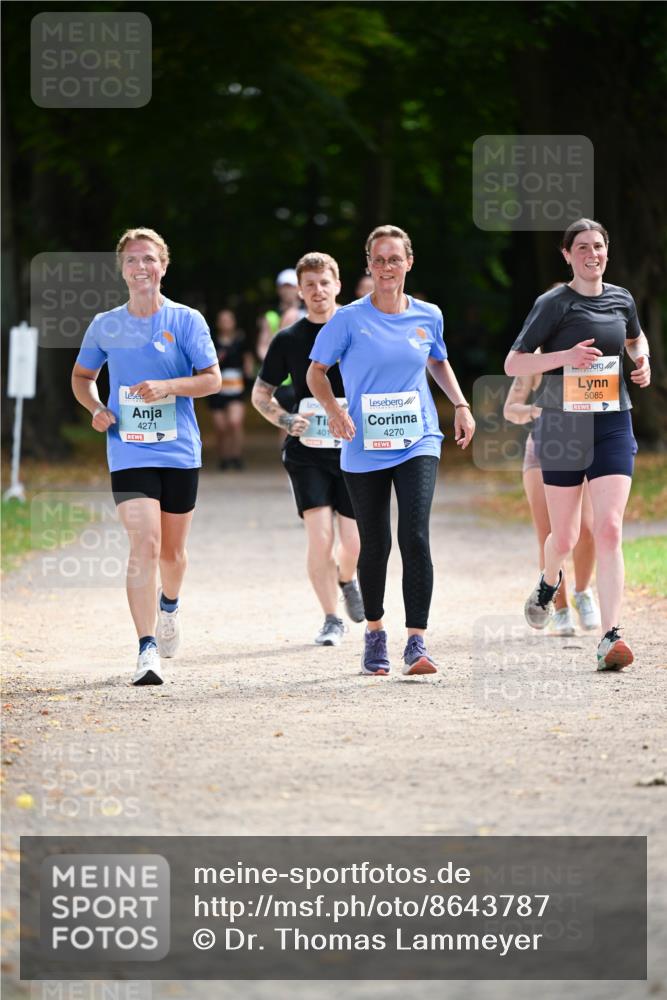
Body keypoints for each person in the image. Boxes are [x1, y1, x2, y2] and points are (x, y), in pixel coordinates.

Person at [307, 225, 475, 676]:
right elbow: (316, 372)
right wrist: (335, 412)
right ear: (368, 265)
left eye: (394, 259)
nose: (386, 267)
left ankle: (416, 642)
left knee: (414, 533)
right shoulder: (348, 319)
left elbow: (437, 360)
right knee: (375, 541)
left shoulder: (428, 315)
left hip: (418, 437)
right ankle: (375, 633)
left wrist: (459, 403)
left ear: (408, 263)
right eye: (378, 260)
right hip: (363, 444)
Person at [71, 227, 221, 686]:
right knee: (146, 544)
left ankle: (169, 606)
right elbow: (82, 377)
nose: (141, 268)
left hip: (178, 450)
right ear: (122, 269)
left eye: (149, 259)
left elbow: (212, 379)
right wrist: (96, 407)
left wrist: (169, 387)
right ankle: (146, 648)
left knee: (173, 554)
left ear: (164, 266)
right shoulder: (105, 324)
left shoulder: (187, 320)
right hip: (128, 448)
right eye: (133, 260)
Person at [505, 218, 651, 671]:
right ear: (567, 254)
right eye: (582, 247)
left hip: (611, 423)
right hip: (563, 429)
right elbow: (514, 362)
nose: (592, 254)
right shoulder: (553, 303)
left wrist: (642, 359)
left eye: (599, 246)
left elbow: (634, 337)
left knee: (608, 529)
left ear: (607, 251)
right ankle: (550, 582)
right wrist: (564, 358)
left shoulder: (621, 298)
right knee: (564, 536)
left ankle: (610, 636)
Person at [252, 252, 365, 646]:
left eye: (324, 283)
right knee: (320, 538)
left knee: (352, 543)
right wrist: (285, 420)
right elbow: (260, 394)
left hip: (353, 449)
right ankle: (331, 618)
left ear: (337, 285)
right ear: (299, 291)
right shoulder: (289, 339)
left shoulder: (359, 330)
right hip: (308, 451)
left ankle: (347, 578)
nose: (318, 291)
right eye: (310, 285)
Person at [503, 371, 601, 634]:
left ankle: (582, 592)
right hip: (542, 447)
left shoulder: (587, 354)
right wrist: (536, 411)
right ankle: (560, 609)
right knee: (549, 534)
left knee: (587, 529)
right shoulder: (535, 358)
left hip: (583, 444)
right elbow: (510, 409)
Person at [207, 309, 254, 470]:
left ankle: (236, 456)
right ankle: (223, 457)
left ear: (234, 322)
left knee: (234, 423)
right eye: (223, 320)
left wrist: (249, 371)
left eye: (229, 319)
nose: (226, 323)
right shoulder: (211, 342)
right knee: (221, 427)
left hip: (236, 389)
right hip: (217, 390)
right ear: (218, 323)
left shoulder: (241, 341)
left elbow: (248, 360)